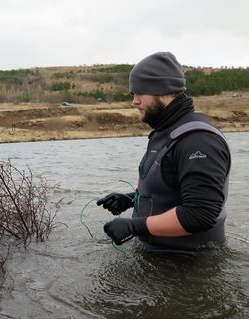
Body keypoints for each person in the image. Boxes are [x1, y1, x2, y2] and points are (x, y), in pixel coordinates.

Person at [97, 52, 231, 254]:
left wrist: (134, 226)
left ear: (164, 91)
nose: (134, 101)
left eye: (140, 92)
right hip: (158, 260)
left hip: (189, 269)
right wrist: (133, 199)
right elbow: (171, 189)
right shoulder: (165, 132)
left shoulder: (199, 140)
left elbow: (200, 213)